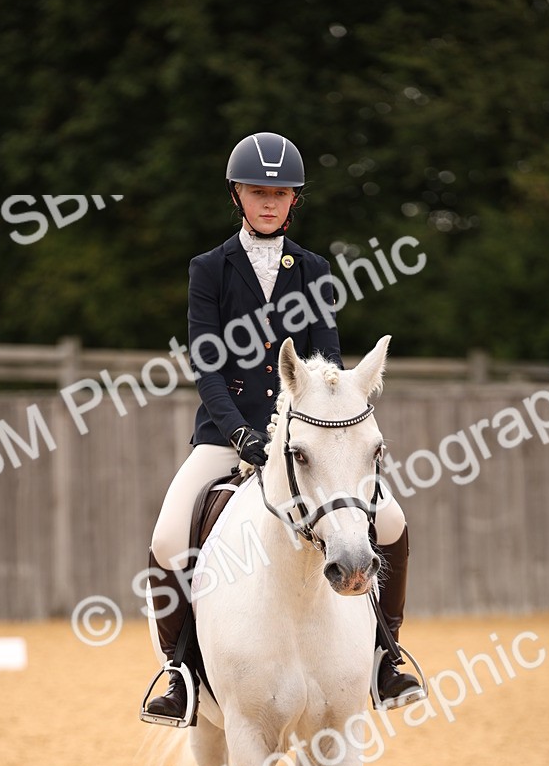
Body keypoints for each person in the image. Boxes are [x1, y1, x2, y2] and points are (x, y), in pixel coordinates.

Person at [140, 131, 423, 727]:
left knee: (392, 522)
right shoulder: (209, 270)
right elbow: (208, 363)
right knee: (168, 538)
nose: (269, 202)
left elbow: (327, 364)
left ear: (295, 200)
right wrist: (240, 434)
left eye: (281, 193)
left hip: (309, 440)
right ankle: (181, 671)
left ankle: (386, 656)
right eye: (257, 191)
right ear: (237, 196)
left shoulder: (315, 269)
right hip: (227, 435)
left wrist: (322, 427)